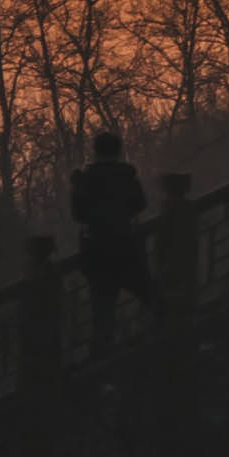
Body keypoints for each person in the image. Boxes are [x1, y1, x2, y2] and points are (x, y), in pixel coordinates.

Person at [70, 128, 156, 342]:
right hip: (126, 246)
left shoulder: (85, 179)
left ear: (96, 151)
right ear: (117, 152)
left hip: (97, 251)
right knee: (151, 295)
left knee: (102, 310)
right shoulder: (127, 176)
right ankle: (161, 334)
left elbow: (78, 214)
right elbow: (140, 204)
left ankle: (103, 354)